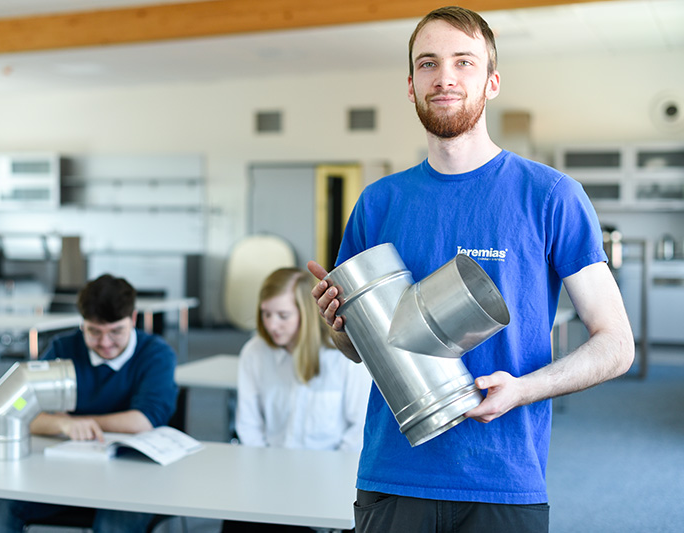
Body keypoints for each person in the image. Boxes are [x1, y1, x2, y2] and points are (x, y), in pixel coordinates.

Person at [308, 6, 635, 533]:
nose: (445, 77)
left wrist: (523, 390)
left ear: (492, 81)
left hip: (504, 476)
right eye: (428, 63)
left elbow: (617, 344)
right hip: (394, 473)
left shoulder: (550, 196)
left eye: (464, 62)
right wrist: (340, 329)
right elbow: (363, 350)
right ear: (410, 84)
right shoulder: (378, 203)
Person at [0, 274, 179, 533]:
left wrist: (71, 422)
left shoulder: (156, 354)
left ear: (132, 319)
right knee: (0, 500)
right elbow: (19, 412)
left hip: (131, 480)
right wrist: (63, 424)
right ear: (82, 324)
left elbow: (142, 421)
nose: (105, 343)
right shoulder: (63, 348)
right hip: (65, 473)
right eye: (94, 332)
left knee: (114, 522)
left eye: (116, 332)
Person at [222, 267, 370, 533]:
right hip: (269, 478)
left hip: (327, 481)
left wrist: (324, 481)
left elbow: (357, 431)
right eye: (266, 314)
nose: (272, 324)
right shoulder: (255, 352)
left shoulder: (342, 358)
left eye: (283, 315)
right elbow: (249, 427)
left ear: (305, 313)